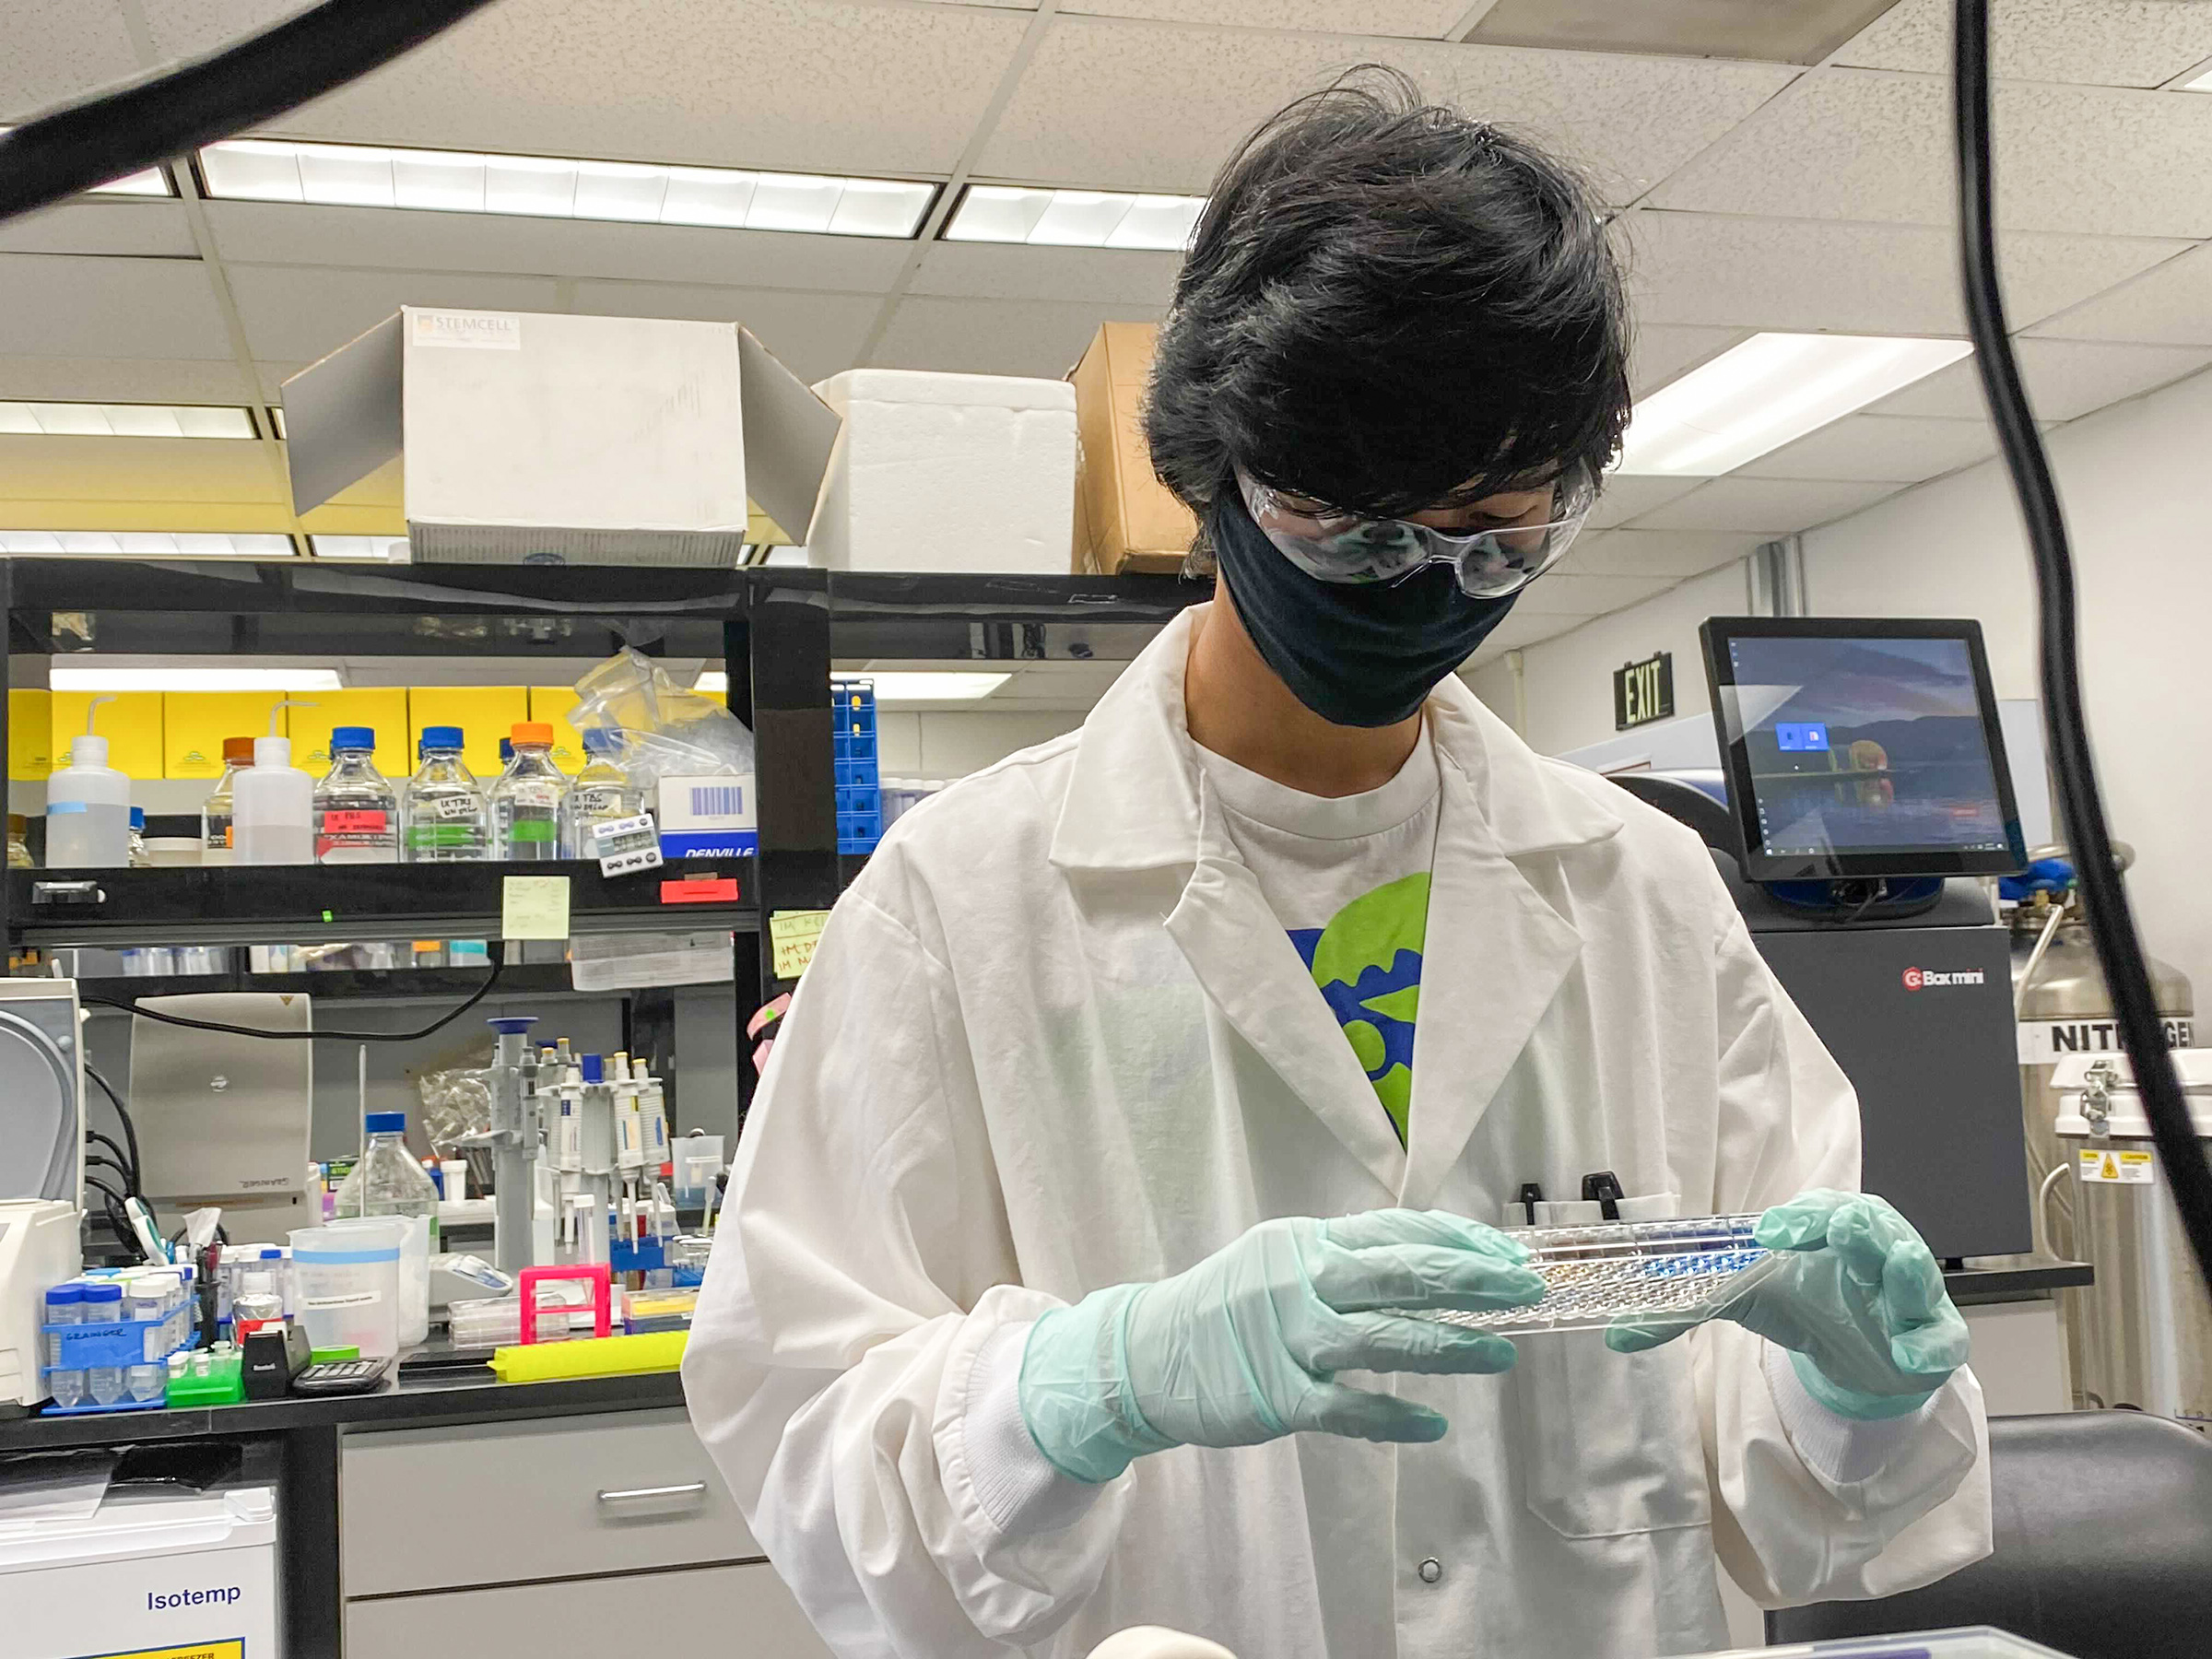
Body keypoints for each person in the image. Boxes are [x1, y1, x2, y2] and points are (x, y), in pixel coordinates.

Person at [685, 71, 1989, 1659]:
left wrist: (1852, 1382)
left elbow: (1786, 1501)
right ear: (1212, 471)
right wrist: (1096, 1383)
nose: (1425, 586)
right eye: (1355, 533)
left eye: (1494, 536)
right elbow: (805, 1431)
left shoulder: (1640, 886)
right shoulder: (965, 898)